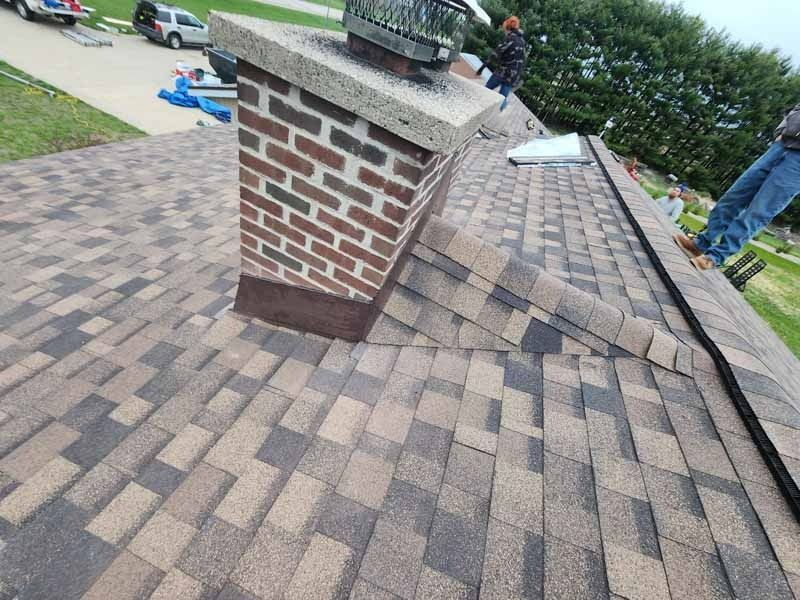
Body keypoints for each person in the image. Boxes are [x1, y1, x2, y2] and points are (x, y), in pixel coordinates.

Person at [674, 103, 800, 270]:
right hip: (782, 145)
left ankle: (716, 256)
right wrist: (781, 131)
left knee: (759, 210)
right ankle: (701, 243)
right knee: (734, 196)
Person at [484, 16, 525, 111]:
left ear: (507, 26)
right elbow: (522, 59)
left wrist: (482, 68)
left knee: (486, 90)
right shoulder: (521, 40)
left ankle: (479, 109)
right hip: (513, 75)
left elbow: (495, 53)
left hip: (503, 72)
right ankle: (499, 110)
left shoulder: (510, 38)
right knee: (502, 98)